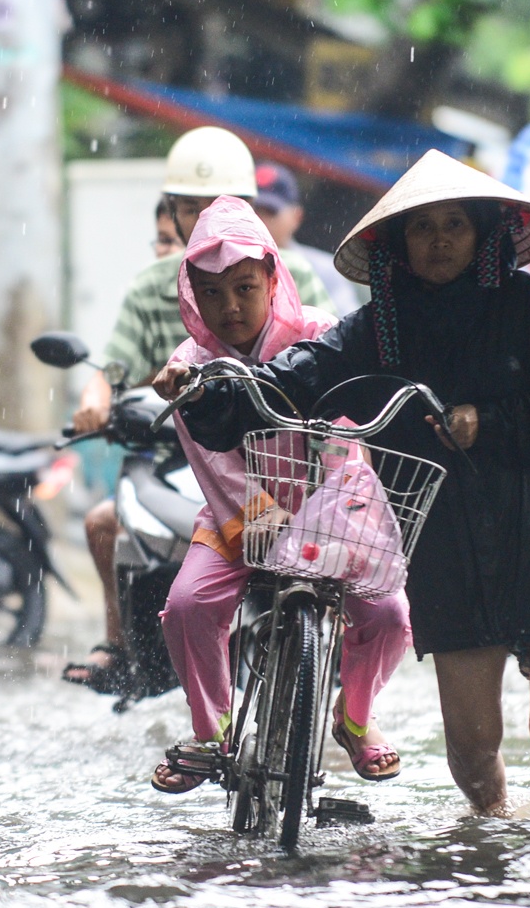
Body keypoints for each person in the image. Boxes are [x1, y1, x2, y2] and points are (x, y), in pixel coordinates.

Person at [168, 150, 530, 818]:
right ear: (398, 244)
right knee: (470, 749)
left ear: (483, 233)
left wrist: (489, 423)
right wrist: (204, 396)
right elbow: (291, 380)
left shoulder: (528, 303)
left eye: (455, 225)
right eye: (422, 228)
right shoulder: (380, 325)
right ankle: (491, 856)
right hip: (448, 554)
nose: (438, 241)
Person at [149, 198, 411, 791]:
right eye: (211, 294)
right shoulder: (189, 366)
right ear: (192, 297)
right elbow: (212, 462)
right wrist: (259, 519)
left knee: (391, 613)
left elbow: (346, 436)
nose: (230, 307)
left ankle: (355, 717)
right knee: (189, 605)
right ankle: (210, 731)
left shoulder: (319, 335)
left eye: (244, 287)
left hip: (332, 513)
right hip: (234, 517)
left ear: (272, 276)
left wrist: (337, 512)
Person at [65, 127, 333, 691]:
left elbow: (333, 359)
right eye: (190, 210)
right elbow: (111, 366)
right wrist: (95, 401)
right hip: (179, 449)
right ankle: (121, 642)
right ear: (173, 214)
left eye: (218, 208)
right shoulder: (151, 287)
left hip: (280, 452)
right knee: (107, 523)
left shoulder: (294, 277)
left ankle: (342, 688)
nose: (206, 222)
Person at [251, 162, 365, 316]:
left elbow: (344, 327)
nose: (260, 219)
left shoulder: (324, 270)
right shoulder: (228, 264)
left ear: (297, 216)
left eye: (271, 211)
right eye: (254, 210)